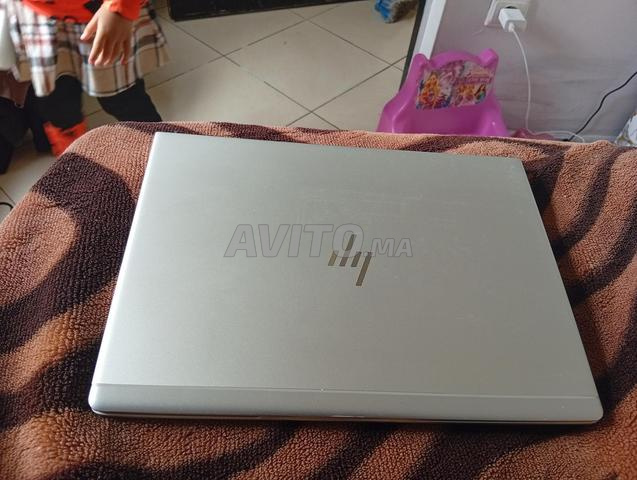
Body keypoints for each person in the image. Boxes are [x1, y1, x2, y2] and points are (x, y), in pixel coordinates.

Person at [2, 0, 168, 156]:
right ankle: (76, 160)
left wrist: (120, 6)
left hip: (105, 16)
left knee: (124, 100)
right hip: (38, 19)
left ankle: (162, 152)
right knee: (56, 105)